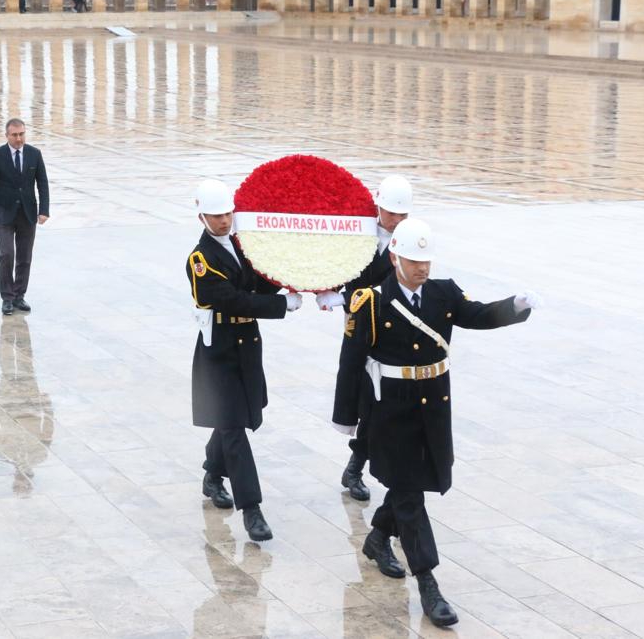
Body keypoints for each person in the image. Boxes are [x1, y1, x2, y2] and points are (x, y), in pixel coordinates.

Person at [332, 217, 540, 627]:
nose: (421, 268)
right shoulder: (371, 301)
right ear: (394, 257)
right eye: (413, 260)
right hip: (390, 409)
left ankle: (377, 539)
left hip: (432, 406)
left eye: (426, 260)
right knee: (409, 494)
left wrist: (515, 306)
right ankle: (428, 583)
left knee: (416, 481)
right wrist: (347, 419)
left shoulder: (443, 293)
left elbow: (477, 315)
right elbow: (351, 361)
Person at [187, 179, 302, 542]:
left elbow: (257, 283)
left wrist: (292, 282)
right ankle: (251, 509)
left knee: (236, 419)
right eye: (216, 215)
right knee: (235, 428)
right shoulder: (200, 260)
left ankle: (211, 474)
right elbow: (234, 300)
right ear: (201, 216)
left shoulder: (240, 245)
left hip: (247, 345)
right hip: (219, 349)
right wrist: (281, 306)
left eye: (227, 214)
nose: (224, 221)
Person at [317, 174, 413, 501]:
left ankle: (356, 466)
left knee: (380, 400)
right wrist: (326, 287)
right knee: (362, 397)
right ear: (377, 206)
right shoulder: (356, 233)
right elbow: (336, 264)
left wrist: (343, 297)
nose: (397, 221)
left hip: (393, 327)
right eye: (391, 213)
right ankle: (356, 466)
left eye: (403, 215)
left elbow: (396, 288)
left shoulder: (411, 241)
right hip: (360, 326)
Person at [0, 118, 49, 315]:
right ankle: (7, 297)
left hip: (27, 213)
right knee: (7, 254)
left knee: (25, 256)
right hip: (3, 212)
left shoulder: (34, 154)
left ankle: (19, 295)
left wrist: (44, 210)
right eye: (14, 135)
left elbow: (42, 183)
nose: (19, 139)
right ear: (7, 136)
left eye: (21, 134)